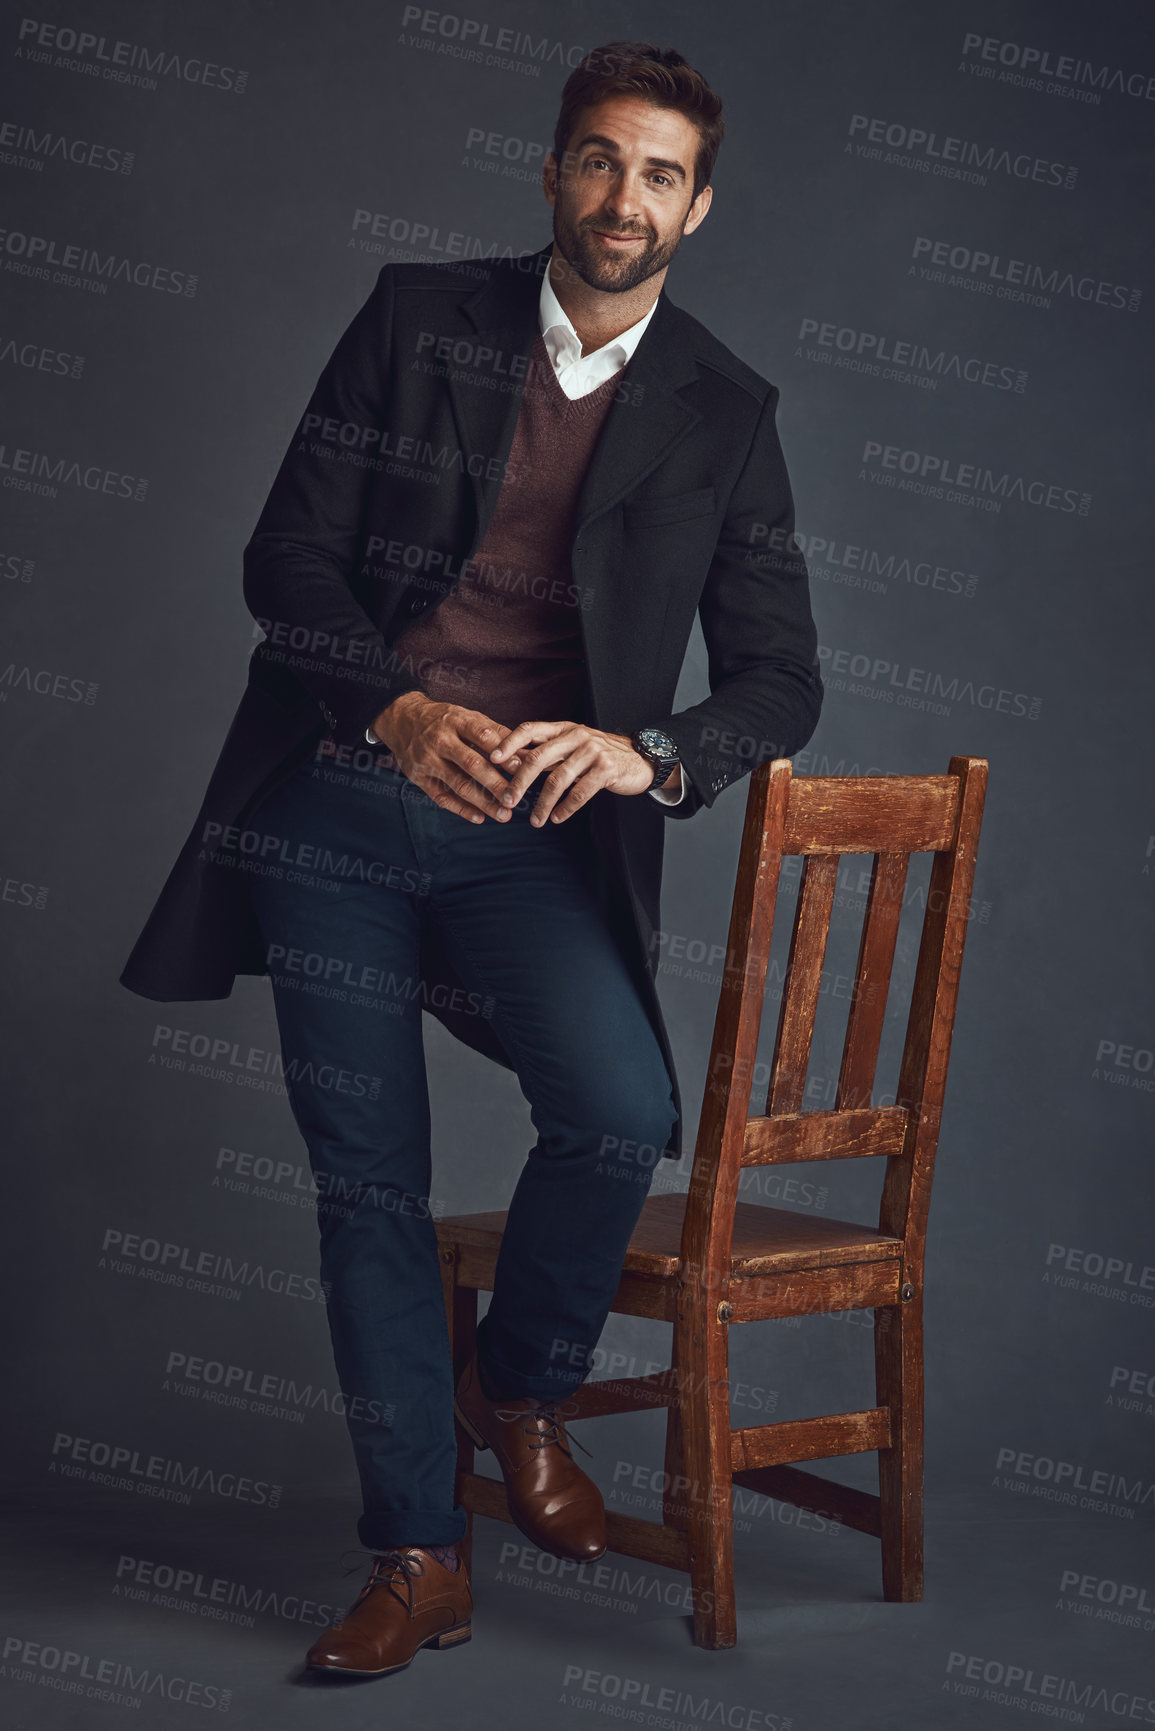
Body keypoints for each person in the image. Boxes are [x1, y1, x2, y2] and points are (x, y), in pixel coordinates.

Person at [120, 39, 823, 1679]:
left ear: (698, 208)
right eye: (597, 160)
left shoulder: (726, 414)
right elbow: (282, 552)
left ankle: (517, 1391)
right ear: (552, 172)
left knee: (617, 1112)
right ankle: (415, 1555)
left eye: (658, 174)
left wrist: (648, 755)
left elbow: (783, 678)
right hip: (338, 815)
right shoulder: (414, 316)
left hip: (536, 849)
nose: (622, 197)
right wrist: (390, 702)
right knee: (366, 1182)